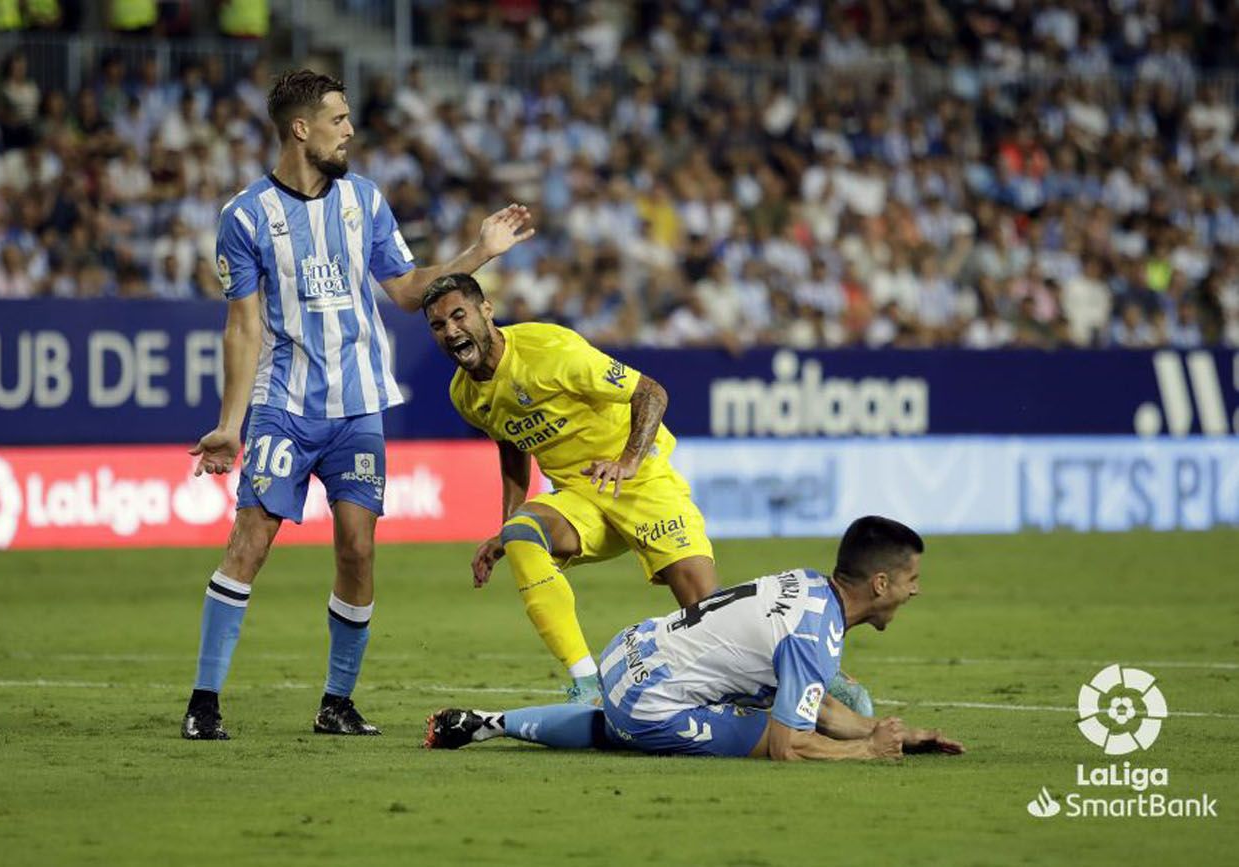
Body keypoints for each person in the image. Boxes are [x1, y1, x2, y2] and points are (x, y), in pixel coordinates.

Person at [180, 69, 534, 740]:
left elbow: (405, 290)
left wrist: (477, 255)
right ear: (301, 128)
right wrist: (231, 425)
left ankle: (336, 703)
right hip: (285, 404)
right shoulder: (246, 216)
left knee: (358, 550)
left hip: (359, 407)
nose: (350, 130)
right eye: (339, 119)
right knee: (250, 543)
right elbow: (243, 326)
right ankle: (203, 701)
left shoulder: (364, 202)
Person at [424, 516, 964, 761]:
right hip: (648, 702)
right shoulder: (813, 635)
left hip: (627, 649)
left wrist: (903, 734)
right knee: (766, 729)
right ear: (881, 583)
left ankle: (488, 724)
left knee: (779, 706)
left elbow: (814, 706)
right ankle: (617, 728)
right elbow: (790, 745)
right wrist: (867, 750)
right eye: (912, 580)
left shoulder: (807, 586)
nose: (915, 592)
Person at [421, 273, 720, 704]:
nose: (451, 331)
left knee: (709, 618)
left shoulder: (551, 352)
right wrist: (504, 526)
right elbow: (511, 444)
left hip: (641, 482)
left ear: (487, 310)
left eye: (458, 315)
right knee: (521, 532)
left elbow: (651, 393)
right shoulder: (465, 395)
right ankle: (586, 684)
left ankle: (811, 680)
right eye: (438, 325)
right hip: (580, 501)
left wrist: (628, 462)